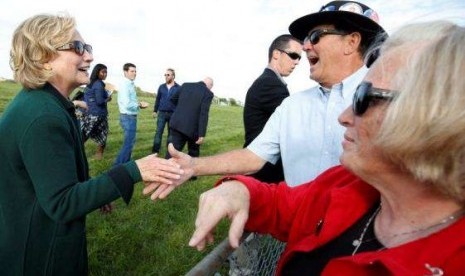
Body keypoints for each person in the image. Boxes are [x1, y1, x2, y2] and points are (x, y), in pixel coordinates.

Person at [187, 21, 465, 275]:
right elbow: (281, 201)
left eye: (362, 97)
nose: (344, 117)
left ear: (435, 116)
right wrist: (237, 187)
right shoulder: (345, 183)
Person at [146, 0, 386, 199]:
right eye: (303, 42)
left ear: (351, 42)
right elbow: (253, 156)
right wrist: (194, 166)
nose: (305, 47)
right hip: (297, 239)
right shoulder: (292, 105)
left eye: (315, 36)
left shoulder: (392, 104)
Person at [0, 13, 183, 275]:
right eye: (77, 48)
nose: (88, 56)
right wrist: (134, 171)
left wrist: (94, 192)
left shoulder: (44, 103)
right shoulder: (42, 116)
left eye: (87, 48)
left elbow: (56, 178)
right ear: (43, 57)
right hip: (38, 258)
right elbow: (62, 202)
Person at [243, 34, 302, 183]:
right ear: (276, 54)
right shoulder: (270, 84)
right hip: (264, 169)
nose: (296, 62)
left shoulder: (271, 81)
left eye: (299, 58)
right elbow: (294, 126)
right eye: (293, 55)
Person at [166, 77, 214, 160]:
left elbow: (173, 99)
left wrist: (181, 108)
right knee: (193, 154)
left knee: (172, 152)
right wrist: (202, 134)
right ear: (210, 85)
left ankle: (164, 170)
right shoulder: (208, 93)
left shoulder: (186, 85)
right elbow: (204, 113)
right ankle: (191, 172)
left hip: (177, 123)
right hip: (193, 128)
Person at [113, 62, 149, 166]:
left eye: (135, 71)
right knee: (128, 143)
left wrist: (138, 104)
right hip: (128, 117)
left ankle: (125, 164)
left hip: (129, 116)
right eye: (132, 71)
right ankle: (118, 166)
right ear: (125, 72)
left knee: (130, 142)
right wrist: (140, 104)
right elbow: (127, 103)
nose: (135, 73)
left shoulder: (129, 83)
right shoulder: (125, 84)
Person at [81, 63, 112, 160]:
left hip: (89, 113)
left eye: (106, 72)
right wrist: (108, 99)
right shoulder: (99, 84)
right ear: (97, 72)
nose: (105, 74)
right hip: (97, 114)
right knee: (102, 135)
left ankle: (77, 152)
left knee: (84, 135)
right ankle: (99, 156)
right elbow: (99, 101)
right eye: (103, 72)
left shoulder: (90, 83)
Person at [151, 68, 181, 154]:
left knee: (171, 134)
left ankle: (169, 152)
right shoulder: (161, 87)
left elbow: (180, 102)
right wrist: (155, 111)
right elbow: (158, 99)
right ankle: (155, 151)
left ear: (173, 76)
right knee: (158, 132)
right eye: (165, 75)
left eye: (168, 75)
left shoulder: (179, 88)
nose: (166, 76)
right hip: (162, 113)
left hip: (173, 114)